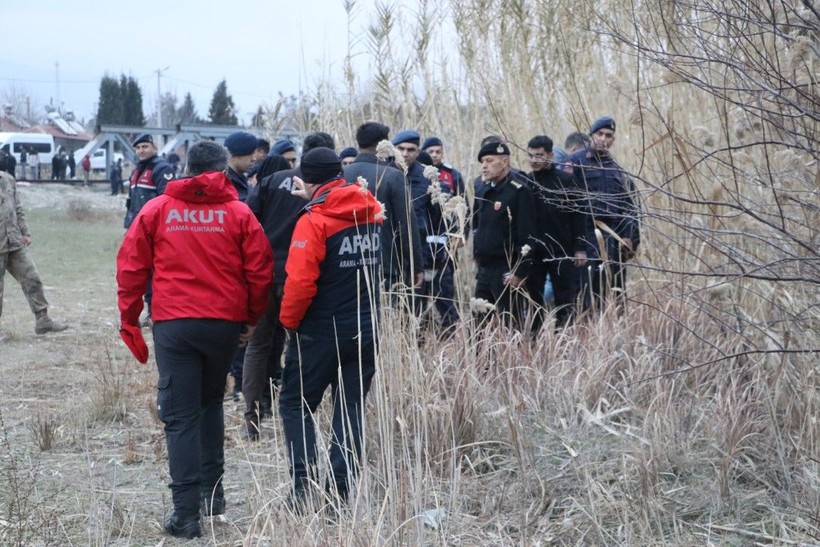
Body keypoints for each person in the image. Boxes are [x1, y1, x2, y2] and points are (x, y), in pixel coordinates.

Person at [116, 140, 273, 539]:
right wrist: (251, 318)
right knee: (209, 402)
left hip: (175, 324)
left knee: (181, 414)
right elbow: (260, 270)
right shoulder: (238, 213)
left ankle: (186, 514)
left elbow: (131, 267)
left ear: (186, 168)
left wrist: (130, 319)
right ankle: (212, 494)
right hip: (223, 322)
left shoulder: (158, 210)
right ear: (222, 171)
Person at [278, 147, 382, 508]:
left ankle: (303, 488)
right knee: (350, 408)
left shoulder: (315, 220)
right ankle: (339, 493)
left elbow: (300, 283)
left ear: (307, 178)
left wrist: (289, 323)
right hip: (367, 327)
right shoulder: (370, 209)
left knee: (296, 403)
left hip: (321, 331)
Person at [241, 132, 333, 439]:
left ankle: (251, 419)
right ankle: (295, 413)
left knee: (258, 346)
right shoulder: (320, 187)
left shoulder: (271, 180)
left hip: (265, 273)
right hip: (301, 273)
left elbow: (248, 221)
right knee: (300, 343)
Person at [571, 116, 641, 313]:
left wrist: (631, 237)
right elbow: (567, 204)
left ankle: (614, 335)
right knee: (587, 295)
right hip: (587, 235)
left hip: (614, 238)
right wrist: (576, 244)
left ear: (613, 140)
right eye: (599, 134)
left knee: (617, 291)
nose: (603, 138)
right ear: (591, 135)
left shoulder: (616, 169)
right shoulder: (576, 163)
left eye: (608, 135)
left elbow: (630, 206)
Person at [344, 122, 423, 291]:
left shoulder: (342, 175)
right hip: (385, 264)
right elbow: (406, 225)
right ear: (383, 145)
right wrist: (416, 265)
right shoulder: (393, 176)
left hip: (346, 262)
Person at [394, 130, 459, 331]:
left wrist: (437, 253)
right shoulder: (383, 173)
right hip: (391, 256)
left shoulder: (428, 178)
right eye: (401, 149)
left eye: (411, 150)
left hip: (421, 255)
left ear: (417, 151)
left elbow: (441, 220)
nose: (405, 154)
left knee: (423, 306)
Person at [524, 135, 588, 330]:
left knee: (564, 299)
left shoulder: (567, 181)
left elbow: (579, 216)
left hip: (561, 250)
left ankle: (563, 342)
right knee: (534, 299)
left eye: (539, 156)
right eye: (531, 156)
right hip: (535, 252)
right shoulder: (527, 182)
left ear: (550, 156)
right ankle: (534, 340)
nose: (534, 160)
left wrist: (580, 248)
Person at [472, 141, 536, 329]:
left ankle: (514, 358)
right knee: (479, 323)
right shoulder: (483, 189)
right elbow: (479, 226)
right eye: (482, 161)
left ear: (505, 161)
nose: (484, 166)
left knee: (510, 324)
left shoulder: (518, 191)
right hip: (485, 269)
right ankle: (482, 359)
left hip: (506, 269)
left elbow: (527, 234)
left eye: (489, 161)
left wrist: (520, 271)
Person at [0, 170, 68, 336]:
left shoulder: (8, 179)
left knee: (32, 278)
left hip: (14, 241)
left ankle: (42, 321)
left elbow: (17, 208)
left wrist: (25, 232)